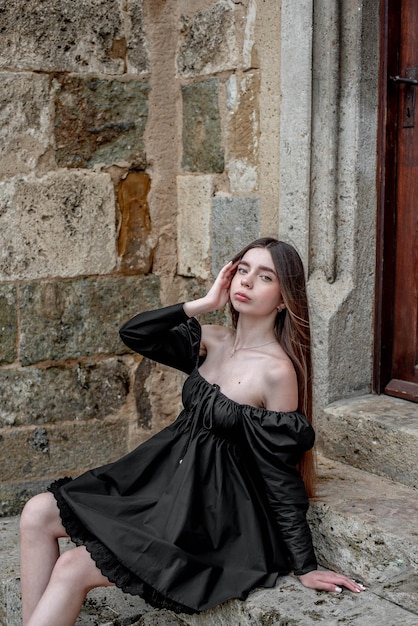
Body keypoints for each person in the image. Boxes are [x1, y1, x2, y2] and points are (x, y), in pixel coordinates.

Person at [20, 237, 365, 626]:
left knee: (73, 567)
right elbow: (135, 334)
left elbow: (279, 472)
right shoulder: (214, 339)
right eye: (242, 270)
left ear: (284, 299)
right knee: (36, 513)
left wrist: (305, 565)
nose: (247, 282)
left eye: (265, 277)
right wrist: (203, 304)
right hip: (162, 482)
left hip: (209, 514)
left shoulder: (277, 372)